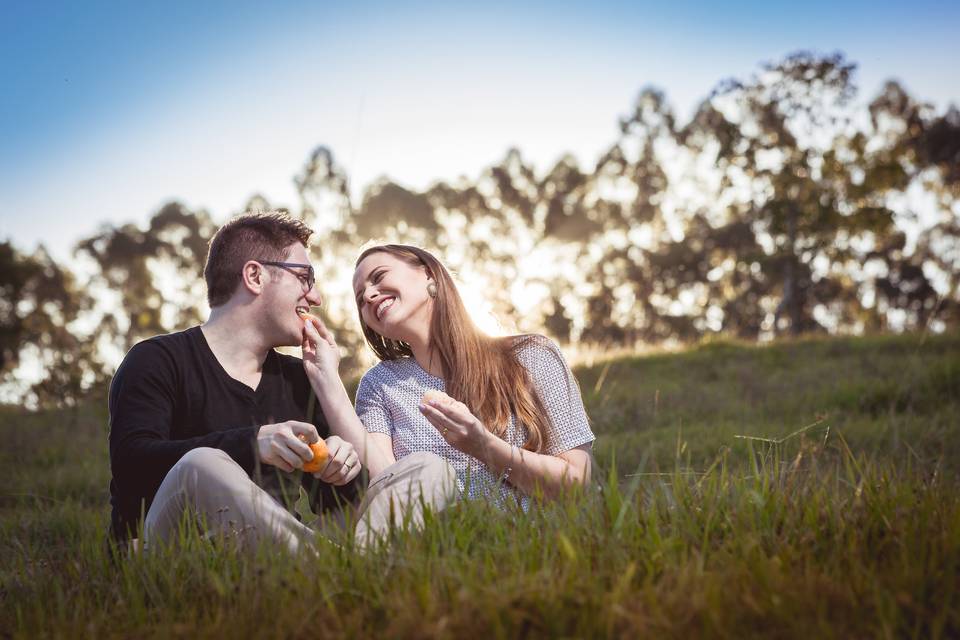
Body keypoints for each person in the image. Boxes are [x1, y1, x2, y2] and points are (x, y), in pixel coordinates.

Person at [108, 212, 451, 554]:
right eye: (304, 277)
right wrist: (254, 443)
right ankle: (339, 572)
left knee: (430, 470)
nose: (315, 297)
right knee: (200, 465)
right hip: (173, 547)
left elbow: (338, 505)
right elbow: (132, 467)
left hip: (274, 548)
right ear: (255, 276)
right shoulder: (156, 360)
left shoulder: (298, 378)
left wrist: (340, 466)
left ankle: (346, 567)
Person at [349, 244, 595, 511]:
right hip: (433, 549)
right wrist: (326, 377)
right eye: (361, 298)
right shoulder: (378, 385)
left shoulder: (532, 355)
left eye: (379, 276)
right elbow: (387, 496)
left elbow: (575, 484)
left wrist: (484, 446)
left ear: (429, 274)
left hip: (535, 544)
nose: (370, 295)